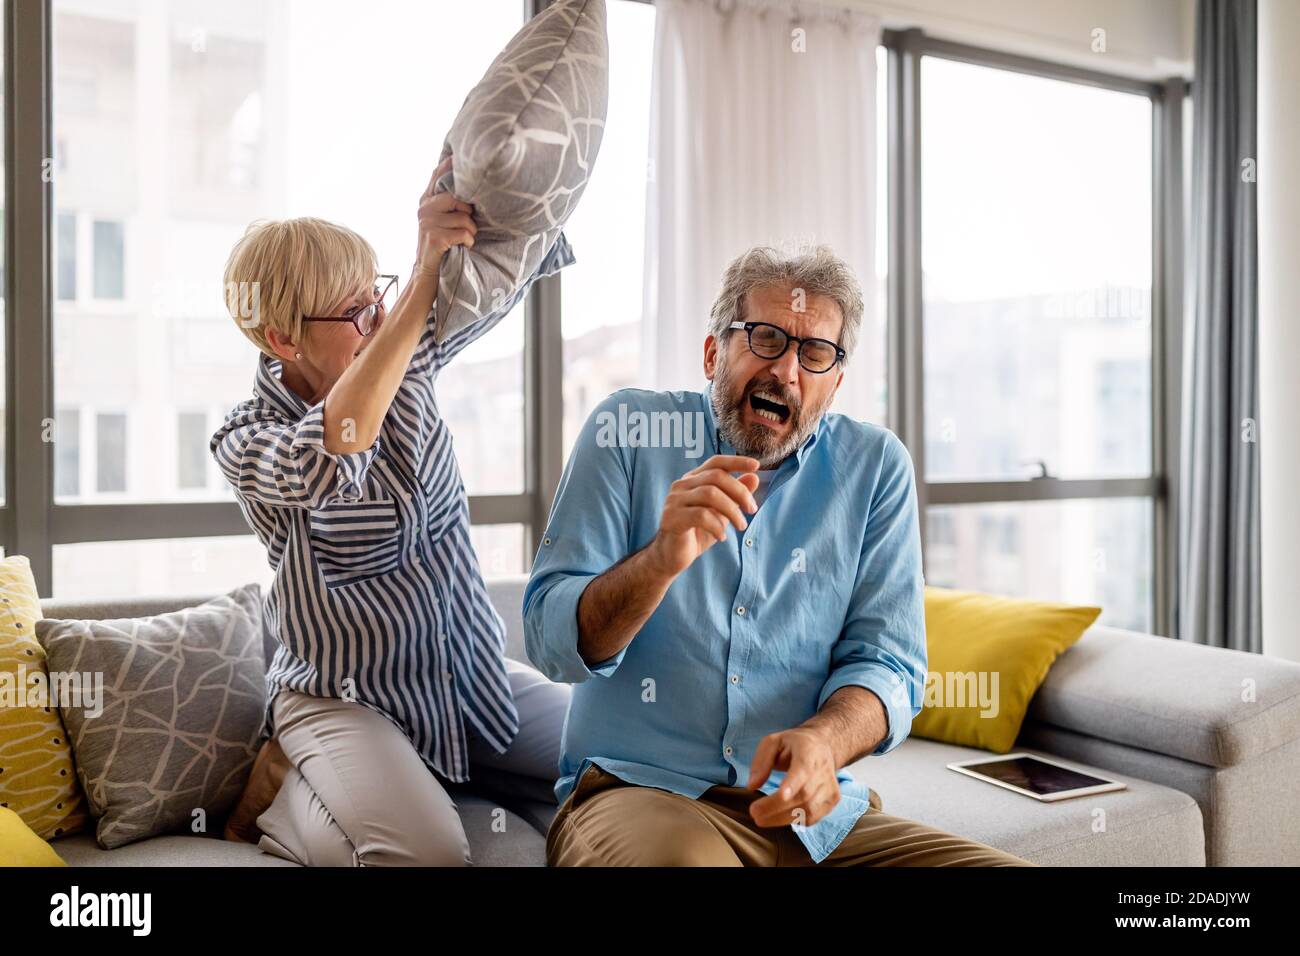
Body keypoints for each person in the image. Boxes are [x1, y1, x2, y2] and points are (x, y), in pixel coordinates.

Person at [524, 242, 1037, 866]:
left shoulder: (875, 469)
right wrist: (659, 560)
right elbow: (552, 644)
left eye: (814, 353)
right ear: (715, 352)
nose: (786, 372)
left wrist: (823, 742)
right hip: (641, 792)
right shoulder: (628, 429)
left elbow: (889, 665)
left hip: (812, 821)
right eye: (765, 338)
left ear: (836, 382)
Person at [211, 155, 571, 866]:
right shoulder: (245, 441)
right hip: (345, 701)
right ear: (283, 340)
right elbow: (332, 448)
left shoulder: (405, 348)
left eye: (377, 296)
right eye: (356, 314)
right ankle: (288, 794)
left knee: (631, 746)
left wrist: (476, 183)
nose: (379, 323)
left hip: (467, 677)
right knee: (428, 854)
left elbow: (508, 259)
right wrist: (414, 287)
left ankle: (439, 774)